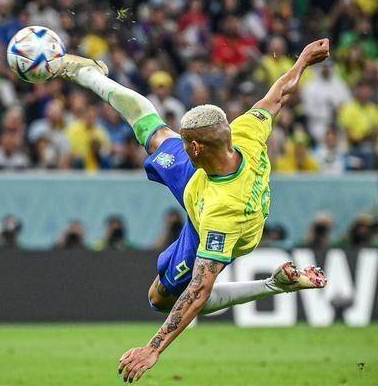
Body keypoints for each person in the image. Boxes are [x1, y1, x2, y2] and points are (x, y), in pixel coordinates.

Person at [53, 38, 329, 381]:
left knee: (161, 298)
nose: (179, 144)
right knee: (151, 129)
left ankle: (273, 284)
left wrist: (153, 348)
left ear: (195, 147)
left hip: (215, 218)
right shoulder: (245, 133)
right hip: (202, 179)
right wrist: (303, 61)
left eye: (184, 142)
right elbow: (278, 95)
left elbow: (199, 292)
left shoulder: (221, 215)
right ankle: (89, 75)